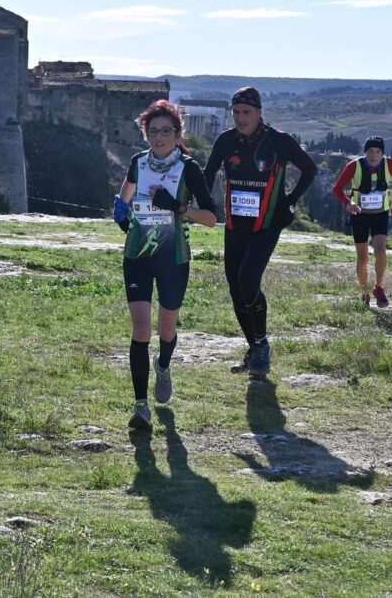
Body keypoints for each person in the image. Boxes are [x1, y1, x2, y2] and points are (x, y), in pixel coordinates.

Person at [113, 100, 218, 430]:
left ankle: (163, 365)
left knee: (166, 330)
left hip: (173, 258)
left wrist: (177, 207)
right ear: (146, 134)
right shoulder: (137, 162)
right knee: (141, 329)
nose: (159, 137)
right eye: (153, 131)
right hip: (137, 256)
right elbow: (125, 193)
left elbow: (212, 218)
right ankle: (140, 406)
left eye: (166, 131)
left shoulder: (188, 168)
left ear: (177, 134)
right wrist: (120, 210)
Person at [203, 87, 318, 381]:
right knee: (235, 289)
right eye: (237, 113)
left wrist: (290, 201)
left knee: (247, 282)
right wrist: (202, 204)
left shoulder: (277, 141)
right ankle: (254, 347)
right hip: (235, 225)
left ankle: (262, 345)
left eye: (247, 113)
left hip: (266, 224)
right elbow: (207, 173)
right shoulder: (226, 140)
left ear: (259, 113)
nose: (241, 118)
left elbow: (309, 169)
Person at [331, 135, 392, 308]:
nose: (374, 155)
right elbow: (337, 188)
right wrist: (348, 203)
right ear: (365, 152)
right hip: (360, 215)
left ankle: (379, 287)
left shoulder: (391, 165)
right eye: (370, 151)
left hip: (380, 214)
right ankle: (364, 292)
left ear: (382, 153)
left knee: (380, 251)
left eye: (378, 151)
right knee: (362, 258)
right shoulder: (354, 166)